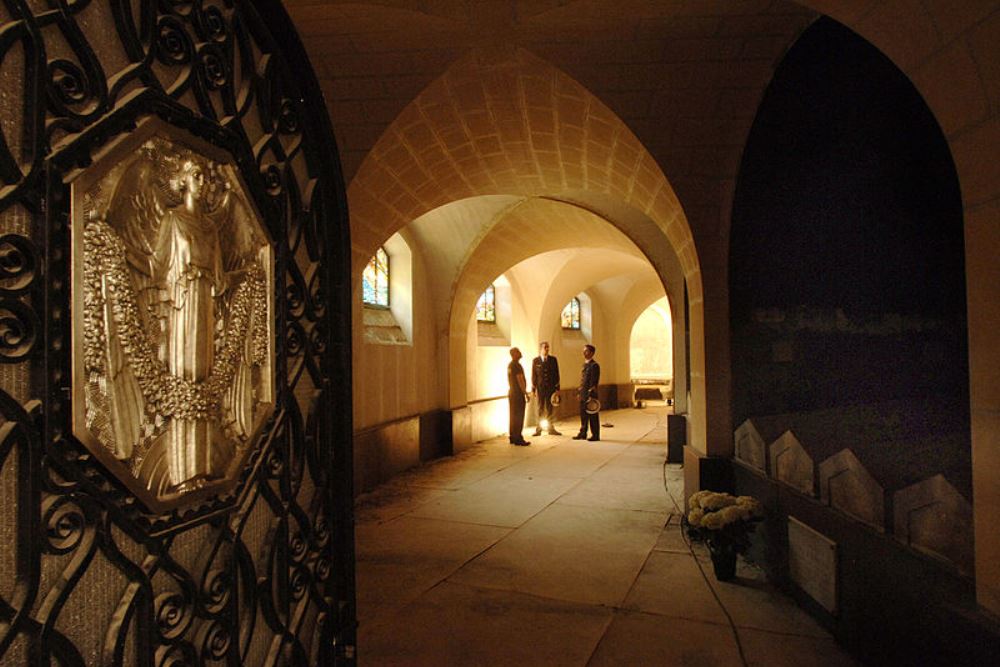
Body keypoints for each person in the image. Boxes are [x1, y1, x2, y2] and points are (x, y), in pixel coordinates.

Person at [531, 341, 561, 436]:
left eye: (548, 347)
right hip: (540, 388)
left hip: (551, 388)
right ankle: (538, 429)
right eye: (545, 347)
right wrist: (533, 388)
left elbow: (556, 374)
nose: (547, 349)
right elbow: (534, 375)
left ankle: (550, 428)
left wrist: (557, 388)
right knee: (540, 407)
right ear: (541, 349)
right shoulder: (536, 361)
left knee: (549, 408)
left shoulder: (553, 360)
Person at [572, 344, 601, 442]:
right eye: (584, 351)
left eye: (586, 351)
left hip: (590, 394)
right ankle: (583, 432)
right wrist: (580, 392)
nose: (584, 353)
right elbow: (583, 381)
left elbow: (593, 382)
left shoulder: (594, 366)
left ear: (592, 353)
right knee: (583, 415)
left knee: (593, 415)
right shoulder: (585, 365)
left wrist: (590, 395)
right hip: (583, 394)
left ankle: (595, 434)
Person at [507, 347, 531, 446]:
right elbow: (520, 379)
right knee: (519, 416)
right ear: (514, 354)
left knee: (512, 415)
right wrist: (525, 392)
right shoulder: (517, 366)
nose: (521, 353)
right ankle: (518, 437)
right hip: (518, 394)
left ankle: (512, 436)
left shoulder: (510, 365)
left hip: (512, 392)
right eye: (518, 352)